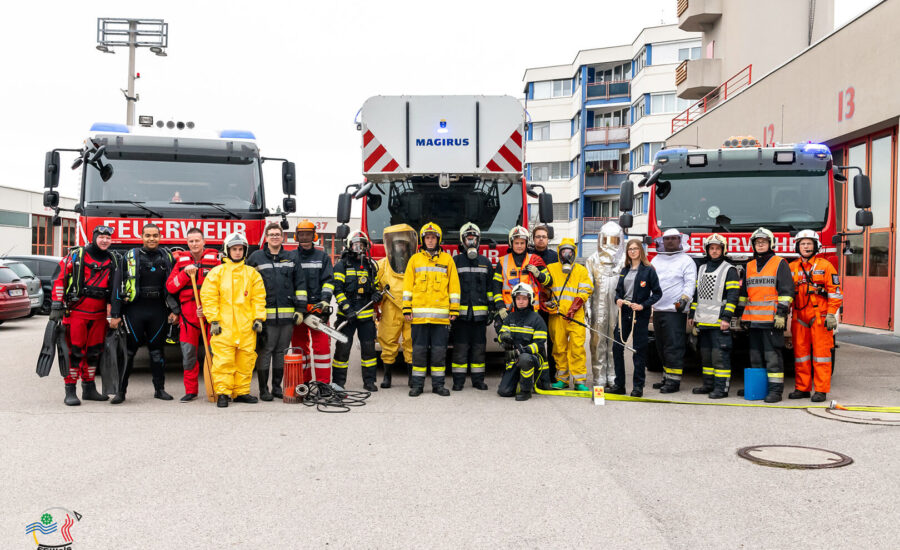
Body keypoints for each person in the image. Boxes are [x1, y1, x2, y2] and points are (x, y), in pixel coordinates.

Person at [49, 225, 119, 406]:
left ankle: (89, 389)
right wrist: (57, 303)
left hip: (99, 314)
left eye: (108, 238)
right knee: (74, 352)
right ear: (94, 237)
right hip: (76, 312)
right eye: (101, 237)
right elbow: (59, 278)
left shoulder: (112, 259)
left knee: (94, 352)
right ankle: (70, 390)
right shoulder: (77, 255)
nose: (105, 240)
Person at [110, 223, 177, 404]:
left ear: (160, 237)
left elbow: (175, 286)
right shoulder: (129, 256)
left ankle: (159, 389)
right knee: (129, 352)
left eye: (155, 235)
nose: (151, 239)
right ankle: (120, 392)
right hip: (135, 310)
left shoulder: (167, 256)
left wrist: (174, 311)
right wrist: (115, 314)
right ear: (142, 236)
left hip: (159, 310)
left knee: (157, 352)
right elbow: (117, 285)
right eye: (148, 235)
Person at [200, 231, 266, 408]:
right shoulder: (217, 273)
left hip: (246, 327)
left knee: (246, 360)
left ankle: (242, 392)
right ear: (226, 251)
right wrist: (213, 320)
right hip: (223, 327)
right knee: (223, 361)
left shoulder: (252, 274)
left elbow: (258, 298)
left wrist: (258, 318)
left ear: (245, 251)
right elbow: (209, 298)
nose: (237, 252)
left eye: (240, 249)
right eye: (234, 249)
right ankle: (223, 393)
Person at [247, 223, 307, 400]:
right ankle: (263, 390)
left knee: (281, 352)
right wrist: (253, 315)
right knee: (265, 351)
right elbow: (247, 285)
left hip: (288, 317)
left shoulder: (291, 257)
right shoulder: (256, 257)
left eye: (277, 234)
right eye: (271, 234)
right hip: (265, 317)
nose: (274, 237)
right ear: (266, 237)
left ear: (282, 237)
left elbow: (300, 285)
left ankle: (277, 387)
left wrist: (300, 310)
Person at [402, 222, 460, 397]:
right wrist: (406, 309)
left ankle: (438, 385)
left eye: (433, 238)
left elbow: (454, 287)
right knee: (418, 352)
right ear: (422, 240)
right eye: (427, 238)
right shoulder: (414, 259)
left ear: (438, 240)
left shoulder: (447, 260)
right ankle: (418, 386)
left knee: (439, 353)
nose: (430, 241)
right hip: (418, 318)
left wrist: (454, 310)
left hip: (441, 318)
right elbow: (407, 287)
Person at [164, 228, 221, 401]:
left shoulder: (216, 262)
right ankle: (191, 391)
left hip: (210, 314)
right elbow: (170, 286)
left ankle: (218, 389)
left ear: (204, 242)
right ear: (187, 243)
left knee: (215, 353)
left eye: (197, 240)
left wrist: (207, 307)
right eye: (191, 241)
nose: (194, 244)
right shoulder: (181, 262)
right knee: (188, 354)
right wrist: (185, 274)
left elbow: (224, 287)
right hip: (188, 315)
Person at [738, 227, 794, 403]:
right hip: (753, 321)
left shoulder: (780, 263)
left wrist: (781, 314)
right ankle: (759, 388)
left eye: (763, 242)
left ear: (770, 244)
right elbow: (743, 294)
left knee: (772, 357)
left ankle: (775, 391)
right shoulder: (748, 265)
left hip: (772, 320)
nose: (760, 245)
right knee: (755, 356)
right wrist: (740, 315)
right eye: (757, 242)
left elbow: (786, 291)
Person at [493, 225, 552, 388]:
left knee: (537, 348)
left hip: (530, 313)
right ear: (511, 243)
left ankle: (543, 382)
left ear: (527, 244)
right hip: (509, 312)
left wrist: (539, 274)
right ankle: (512, 378)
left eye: (522, 243)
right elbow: (496, 287)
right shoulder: (502, 262)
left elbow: (549, 282)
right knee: (510, 345)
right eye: (516, 243)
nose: (519, 246)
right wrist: (500, 307)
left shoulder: (534, 260)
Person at [788, 230, 842, 402]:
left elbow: (835, 293)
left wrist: (832, 314)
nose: (806, 246)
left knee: (821, 354)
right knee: (800, 354)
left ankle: (820, 390)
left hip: (820, 316)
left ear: (815, 246)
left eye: (809, 243)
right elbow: (785, 293)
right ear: (798, 246)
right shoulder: (792, 267)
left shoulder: (825, 266)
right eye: (803, 243)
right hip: (799, 316)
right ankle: (802, 388)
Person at [686, 234, 740, 399]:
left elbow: (733, 296)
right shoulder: (701, 268)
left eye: (717, 248)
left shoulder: (729, 269)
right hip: (703, 321)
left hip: (719, 322)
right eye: (712, 248)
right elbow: (697, 295)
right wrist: (692, 314)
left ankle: (721, 389)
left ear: (723, 250)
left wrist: (726, 318)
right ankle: (708, 385)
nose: (714, 251)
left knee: (720, 357)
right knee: (706, 356)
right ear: (707, 250)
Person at [610, 239, 662, 397]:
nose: (632, 251)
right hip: (624, 312)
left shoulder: (648, 270)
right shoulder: (624, 270)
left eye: (635, 248)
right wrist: (617, 299)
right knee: (617, 348)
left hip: (639, 314)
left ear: (641, 250)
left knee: (639, 350)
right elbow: (618, 292)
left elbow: (658, 293)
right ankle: (619, 385)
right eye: (630, 249)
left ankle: (638, 386)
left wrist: (643, 305)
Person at [332, 231, 381, 391]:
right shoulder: (341, 265)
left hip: (366, 317)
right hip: (347, 317)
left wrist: (376, 295)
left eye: (362, 245)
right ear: (349, 246)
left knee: (368, 350)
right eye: (355, 244)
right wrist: (348, 310)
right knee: (342, 351)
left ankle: (369, 382)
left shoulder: (370, 265)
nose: (359, 248)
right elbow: (337, 290)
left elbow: (376, 286)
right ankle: (338, 383)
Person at [649, 228, 697, 394]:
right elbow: (650, 281)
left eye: (673, 239)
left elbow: (690, 283)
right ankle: (666, 377)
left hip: (675, 311)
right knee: (661, 346)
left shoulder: (686, 261)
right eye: (667, 239)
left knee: (673, 347)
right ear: (662, 241)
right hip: (658, 309)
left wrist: (684, 299)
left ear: (680, 240)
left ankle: (674, 381)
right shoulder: (656, 259)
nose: (670, 242)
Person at [450, 222, 494, 391]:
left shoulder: (485, 262)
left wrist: (491, 308)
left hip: (480, 317)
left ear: (478, 240)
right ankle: (458, 382)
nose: (471, 242)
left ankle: (478, 381)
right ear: (462, 241)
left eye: (474, 239)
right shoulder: (455, 261)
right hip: (460, 317)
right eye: (468, 239)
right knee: (460, 348)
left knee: (479, 349)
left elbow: (490, 288)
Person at [545, 238, 593, 391]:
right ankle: (562, 379)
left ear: (574, 253)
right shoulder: (551, 268)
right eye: (563, 251)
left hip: (575, 316)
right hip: (557, 315)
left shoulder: (581, 270)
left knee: (577, 348)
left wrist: (574, 308)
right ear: (559, 253)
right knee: (558, 348)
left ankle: (579, 381)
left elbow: (586, 290)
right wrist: (545, 301)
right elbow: (543, 288)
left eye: (569, 252)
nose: (566, 254)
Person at [292, 220, 335, 384]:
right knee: (299, 349)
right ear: (296, 235)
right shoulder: (291, 257)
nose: (304, 237)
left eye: (308, 234)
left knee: (322, 349)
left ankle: (323, 384)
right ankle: (304, 383)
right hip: (298, 311)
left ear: (314, 235)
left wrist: (325, 301)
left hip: (318, 309)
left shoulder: (322, 256)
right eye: (301, 234)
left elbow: (329, 281)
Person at [585, 221, 625, 388]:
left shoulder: (624, 260)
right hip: (598, 308)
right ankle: (599, 377)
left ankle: (613, 376)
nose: (610, 245)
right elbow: (587, 286)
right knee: (598, 342)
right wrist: (587, 306)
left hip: (618, 309)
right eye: (606, 239)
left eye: (614, 240)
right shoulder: (592, 260)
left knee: (615, 342)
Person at [376, 224, 416, 388]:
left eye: (403, 244)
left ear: (408, 246)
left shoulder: (415, 263)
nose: (400, 247)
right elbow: (375, 285)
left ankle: (412, 377)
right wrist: (376, 296)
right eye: (397, 244)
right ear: (391, 245)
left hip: (411, 308)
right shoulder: (382, 265)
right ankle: (387, 377)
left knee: (411, 343)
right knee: (387, 342)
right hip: (390, 308)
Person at [496, 283, 548, 402]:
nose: (521, 301)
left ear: (530, 300)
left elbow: (539, 344)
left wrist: (521, 351)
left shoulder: (537, 319)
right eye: (518, 298)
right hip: (515, 358)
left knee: (525, 358)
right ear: (514, 300)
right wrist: (503, 337)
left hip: (532, 358)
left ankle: (526, 390)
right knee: (504, 392)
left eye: (524, 298)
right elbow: (501, 335)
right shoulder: (510, 317)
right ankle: (517, 381)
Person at [531, 224, 558, 376]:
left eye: (544, 237)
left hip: (550, 304)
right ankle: (535, 372)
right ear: (533, 239)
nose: (541, 240)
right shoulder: (528, 255)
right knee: (535, 339)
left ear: (548, 239)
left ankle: (552, 373)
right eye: (538, 237)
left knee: (552, 339)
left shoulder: (555, 257)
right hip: (534, 304)